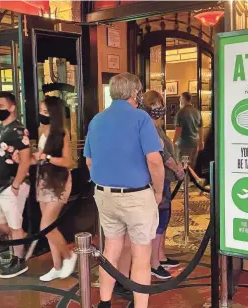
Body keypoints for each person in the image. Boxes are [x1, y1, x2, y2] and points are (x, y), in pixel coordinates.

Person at [84, 73, 165, 308]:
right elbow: (155, 161)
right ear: (134, 93)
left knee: (111, 248)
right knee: (141, 254)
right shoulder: (141, 119)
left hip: (104, 194)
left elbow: (89, 162)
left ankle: (105, 302)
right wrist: (158, 193)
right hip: (136, 195)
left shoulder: (97, 120)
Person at [31, 96, 77, 281]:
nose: (42, 114)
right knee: (49, 226)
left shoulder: (62, 133)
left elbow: (68, 161)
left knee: (46, 226)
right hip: (43, 180)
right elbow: (39, 157)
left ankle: (68, 255)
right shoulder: (42, 129)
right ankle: (56, 266)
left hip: (59, 182)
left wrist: (47, 157)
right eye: (41, 110)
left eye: (45, 111)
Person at [0, 91, 31, 278]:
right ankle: (22, 237)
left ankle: (19, 260)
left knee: (14, 225)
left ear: (12, 107)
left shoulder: (18, 130)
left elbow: (26, 160)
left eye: (1, 106)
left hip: (14, 185)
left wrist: (16, 185)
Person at [143, 90, 184, 279]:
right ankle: (154, 263)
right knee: (158, 221)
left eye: (160, 105)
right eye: (155, 105)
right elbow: (162, 155)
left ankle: (160, 255)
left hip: (164, 178)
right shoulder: (148, 127)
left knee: (164, 219)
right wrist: (176, 168)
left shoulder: (156, 126)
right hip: (157, 179)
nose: (158, 109)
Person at [173, 92, 204, 168]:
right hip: (195, 145)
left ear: (183, 99)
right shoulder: (197, 112)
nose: (179, 100)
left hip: (184, 146)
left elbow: (178, 130)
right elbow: (200, 128)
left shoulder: (181, 112)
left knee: (184, 167)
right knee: (192, 166)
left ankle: (186, 180)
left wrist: (173, 143)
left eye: (180, 98)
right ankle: (189, 179)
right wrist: (201, 142)